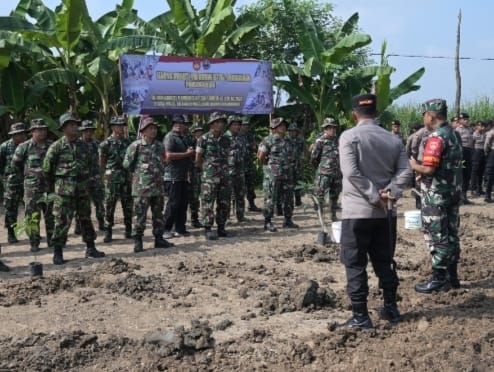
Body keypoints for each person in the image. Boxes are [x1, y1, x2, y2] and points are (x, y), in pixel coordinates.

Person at [338, 93, 411, 329]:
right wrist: (389, 193)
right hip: (385, 213)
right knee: (385, 261)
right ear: (376, 113)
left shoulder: (349, 137)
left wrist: (372, 196)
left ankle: (360, 316)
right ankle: (391, 307)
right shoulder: (393, 139)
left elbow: (352, 173)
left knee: (355, 263)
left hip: (357, 213)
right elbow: (405, 172)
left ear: (354, 113)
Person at [409, 99, 463, 292]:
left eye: (424, 114)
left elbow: (429, 168)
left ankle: (439, 278)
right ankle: (453, 276)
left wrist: (414, 166)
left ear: (431, 115)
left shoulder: (436, 137)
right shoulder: (454, 134)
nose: (423, 119)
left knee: (437, 235)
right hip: (453, 193)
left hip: (436, 195)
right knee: (452, 234)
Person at [43, 113, 106, 265]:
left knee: (85, 219)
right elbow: (47, 170)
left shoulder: (85, 146)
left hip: (82, 190)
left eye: (75, 124)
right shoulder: (56, 147)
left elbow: (92, 166)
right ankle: (58, 252)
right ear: (64, 128)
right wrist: (54, 188)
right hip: (64, 192)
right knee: (62, 221)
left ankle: (91, 248)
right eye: (71, 125)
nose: (74, 127)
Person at [123, 117, 173, 252]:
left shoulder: (159, 146)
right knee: (140, 215)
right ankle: (138, 241)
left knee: (158, 215)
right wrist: (139, 174)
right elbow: (126, 164)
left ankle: (159, 239)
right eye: (150, 128)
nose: (153, 131)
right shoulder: (136, 146)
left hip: (157, 187)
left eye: (155, 128)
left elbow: (164, 161)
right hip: (142, 188)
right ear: (143, 131)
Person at [11, 118, 54, 252]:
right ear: (32, 132)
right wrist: (28, 173)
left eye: (44, 129)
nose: (42, 132)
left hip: (49, 187)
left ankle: (52, 241)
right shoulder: (24, 147)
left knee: (51, 215)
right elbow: (15, 164)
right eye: (39, 129)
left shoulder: (52, 145)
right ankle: (34, 243)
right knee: (32, 216)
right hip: (32, 188)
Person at [258, 117, 298, 232]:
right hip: (273, 175)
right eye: (280, 125)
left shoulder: (289, 141)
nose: (283, 127)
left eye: (284, 125)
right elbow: (261, 157)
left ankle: (288, 220)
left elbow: (293, 157)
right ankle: (268, 222)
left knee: (289, 198)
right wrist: (271, 168)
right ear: (274, 128)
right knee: (270, 198)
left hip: (287, 174)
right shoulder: (267, 140)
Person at [195, 112, 231, 240]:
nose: (220, 124)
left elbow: (228, 156)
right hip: (209, 177)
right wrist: (206, 171)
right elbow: (198, 158)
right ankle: (208, 228)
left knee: (224, 202)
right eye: (217, 122)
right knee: (208, 202)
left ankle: (221, 227)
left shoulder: (227, 139)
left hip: (224, 176)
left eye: (221, 122)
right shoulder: (203, 139)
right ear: (211, 124)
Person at [99, 116, 133, 243]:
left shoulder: (128, 143)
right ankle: (108, 231)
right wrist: (103, 177)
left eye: (122, 126)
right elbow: (101, 164)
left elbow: (131, 160)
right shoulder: (105, 144)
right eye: (118, 125)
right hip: (112, 179)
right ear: (112, 127)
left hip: (125, 178)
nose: (121, 128)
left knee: (128, 205)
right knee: (110, 205)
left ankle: (129, 230)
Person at [162, 114, 195, 238]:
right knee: (173, 203)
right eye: (177, 123)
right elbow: (168, 156)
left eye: (181, 123)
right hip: (172, 176)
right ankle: (165, 228)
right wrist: (186, 154)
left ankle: (180, 228)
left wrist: (189, 152)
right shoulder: (170, 137)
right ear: (172, 124)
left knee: (183, 203)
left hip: (183, 176)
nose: (179, 125)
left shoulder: (183, 137)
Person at [0, 122, 28, 243]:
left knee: (31, 207)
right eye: (18, 134)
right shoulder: (5, 147)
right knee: (11, 208)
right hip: (11, 182)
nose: (21, 136)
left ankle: (32, 233)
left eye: (22, 133)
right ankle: (11, 234)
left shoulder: (29, 146)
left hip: (27, 181)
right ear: (12, 135)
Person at [311, 117, 342, 222]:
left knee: (335, 195)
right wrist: (321, 168)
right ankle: (320, 215)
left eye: (334, 128)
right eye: (330, 128)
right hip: (324, 173)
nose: (332, 130)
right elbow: (314, 158)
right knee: (320, 194)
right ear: (325, 129)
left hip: (337, 173)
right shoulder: (320, 141)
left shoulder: (338, 140)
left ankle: (333, 215)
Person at [77, 120, 105, 232]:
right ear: (82, 132)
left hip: (95, 177)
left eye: (90, 131)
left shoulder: (96, 144)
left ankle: (101, 222)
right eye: (86, 131)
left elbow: (101, 159)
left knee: (99, 202)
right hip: (82, 179)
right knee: (81, 203)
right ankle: (79, 225)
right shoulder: (77, 144)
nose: (89, 133)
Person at [225, 115, 247, 222]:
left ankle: (240, 216)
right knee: (227, 194)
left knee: (240, 194)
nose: (237, 126)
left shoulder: (241, 137)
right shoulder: (224, 137)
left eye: (238, 124)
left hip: (240, 170)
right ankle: (227, 216)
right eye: (234, 124)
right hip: (228, 171)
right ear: (229, 126)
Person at [240, 118, 262, 212]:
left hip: (248, 164)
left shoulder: (250, 136)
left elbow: (254, 148)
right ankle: (236, 209)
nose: (246, 127)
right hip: (238, 165)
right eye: (244, 125)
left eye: (247, 125)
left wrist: (254, 146)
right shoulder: (237, 136)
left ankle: (251, 204)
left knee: (250, 185)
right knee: (238, 187)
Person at [455, 112, 473, 204]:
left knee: (467, 174)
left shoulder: (470, 129)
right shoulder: (458, 130)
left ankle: (464, 195)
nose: (466, 121)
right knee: (460, 174)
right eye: (464, 119)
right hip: (461, 153)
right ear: (460, 120)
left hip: (469, 152)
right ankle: (459, 197)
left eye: (467, 119)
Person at [189, 123, 204, 228]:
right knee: (194, 196)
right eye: (197, 131)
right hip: (193, 173)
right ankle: (194, 219)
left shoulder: (204, 142)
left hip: (204, 172)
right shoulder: (190, 143)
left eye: (200, 131)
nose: (199, 133)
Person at [287, 123, 305, 206]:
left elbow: (303, 150)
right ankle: (290, 200)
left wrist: (302, 158)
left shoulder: (300, 140)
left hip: (297, 164)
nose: (292, 132)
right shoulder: (285, 140)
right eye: (291, 131)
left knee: (298, 182)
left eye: (294, 131)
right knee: (289, 183)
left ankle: (298, 200)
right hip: (288, 165)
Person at [470, 121, 487, 196]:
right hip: (476, 152)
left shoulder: (484, 133)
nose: (481, 127)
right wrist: (473, 153)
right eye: (480, 125)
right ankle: (473, 189)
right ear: (477, 126)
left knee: (481, 171)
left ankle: (479, 189)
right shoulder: (474, 134)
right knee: (475, 171)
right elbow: (472, 144)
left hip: (483, 152)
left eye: (482, 125)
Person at [483, 122, 494, 203]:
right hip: (493, 153)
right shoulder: (492, 132)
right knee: (490, 174)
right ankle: (487, 195)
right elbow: (487, 143)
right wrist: (487, 152)